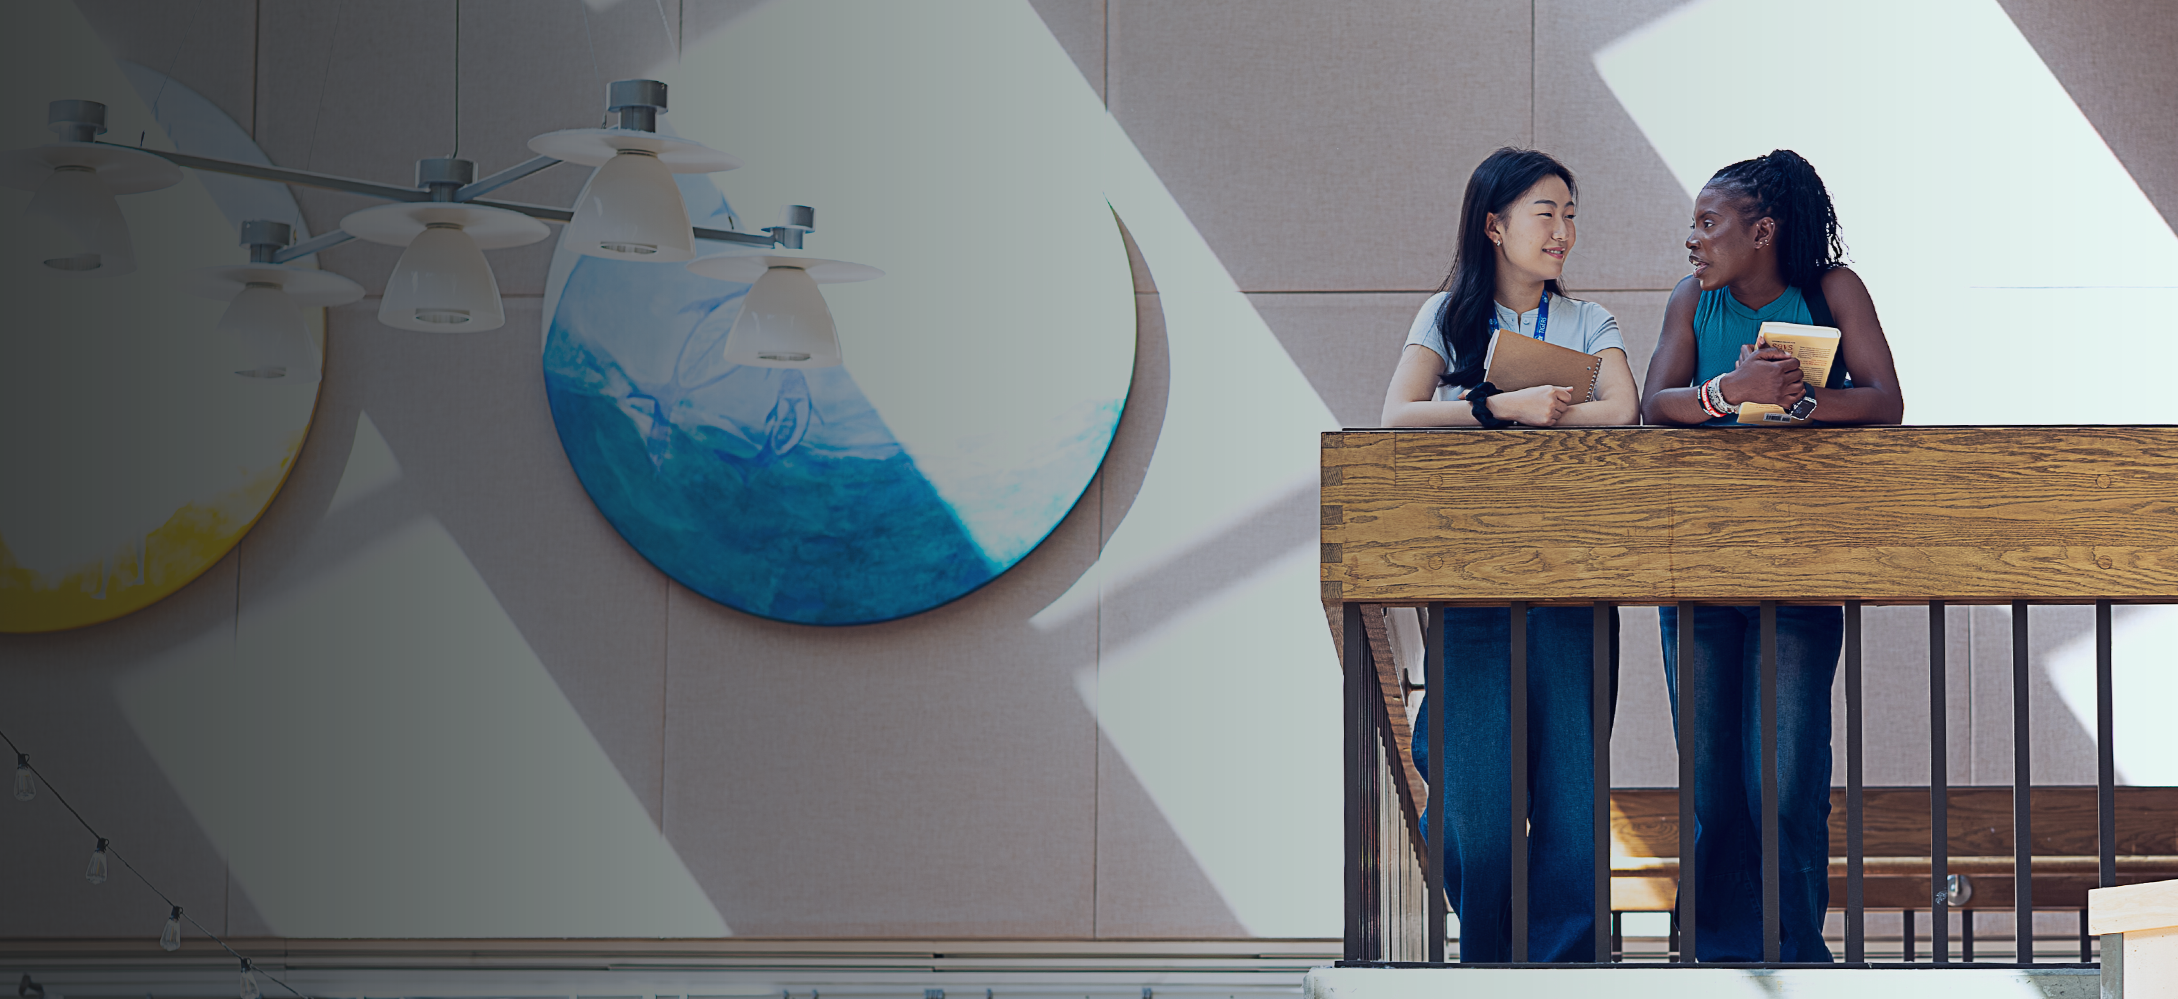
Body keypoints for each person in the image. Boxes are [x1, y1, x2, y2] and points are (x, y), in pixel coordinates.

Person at [1639, 149, 1904, 962]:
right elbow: (1654, 407)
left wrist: (1797, 399)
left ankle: (1793, 955)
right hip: (1700, 571)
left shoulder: (1832, 291)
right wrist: (1730, 392)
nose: (1692, 240)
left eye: (1708, 224)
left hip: (1799, 570)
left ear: (1762, 231)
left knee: (1785, 780)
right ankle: (1716, 958)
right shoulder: (1691, 299)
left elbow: (1887, 402)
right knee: (1714, 783)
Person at [1384, 147, 1631, 962]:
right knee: (1475, 809)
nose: (1562, 230)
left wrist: (1544, 413)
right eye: (1544, 213)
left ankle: (1565, 974)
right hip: (1473, 592)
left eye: (1569, 214)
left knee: (1573, 810)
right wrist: (1501, 406)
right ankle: (1488, 965)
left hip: (1572, 587)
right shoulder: (1444, 317)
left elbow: (1622, 411)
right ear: (1494, 225)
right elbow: (1398, 415)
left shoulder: (1589, 319)